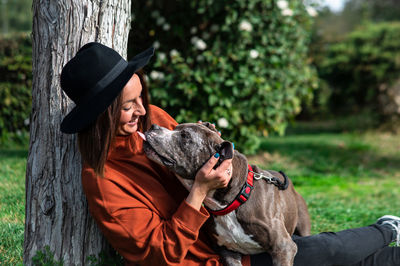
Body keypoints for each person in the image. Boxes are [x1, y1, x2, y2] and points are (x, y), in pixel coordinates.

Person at [60, 42, 400, 266]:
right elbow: (159, 253)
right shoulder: (103, 181)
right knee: (321, 251)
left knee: (323, 253)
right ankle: (387, 231)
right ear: (101, 115)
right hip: (210, 260)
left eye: (141, 97)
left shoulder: (153, 120)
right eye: (127, 107)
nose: (142, 111)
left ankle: (389, 238)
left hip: (234, 238)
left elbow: (197, 156)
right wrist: (198, 192)